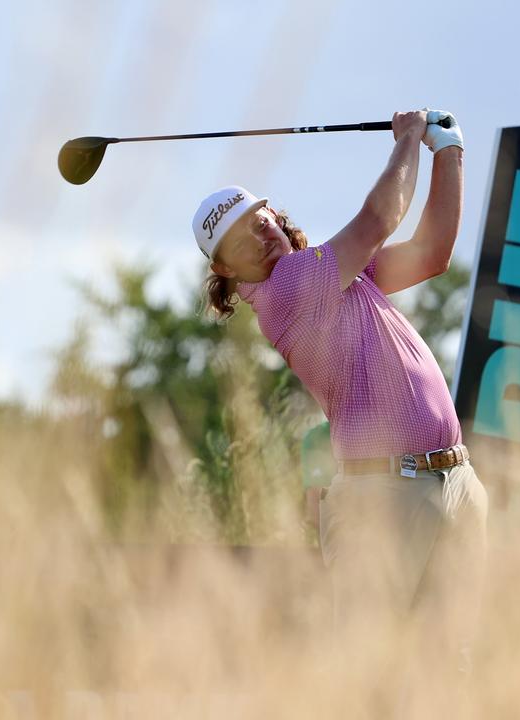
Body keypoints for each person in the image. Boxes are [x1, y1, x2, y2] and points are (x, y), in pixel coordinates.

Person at [190, 109, 489, 694]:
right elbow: (380, 216)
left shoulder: (343, 277)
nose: (262, 231)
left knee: (449, 674)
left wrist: (447, 148)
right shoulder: (289, 289)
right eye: (242, 237)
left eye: (262, 216)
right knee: (370, 680)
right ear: (226, 270)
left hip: (453, 481)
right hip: (383, 498)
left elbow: (432, 251)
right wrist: (409, 140)